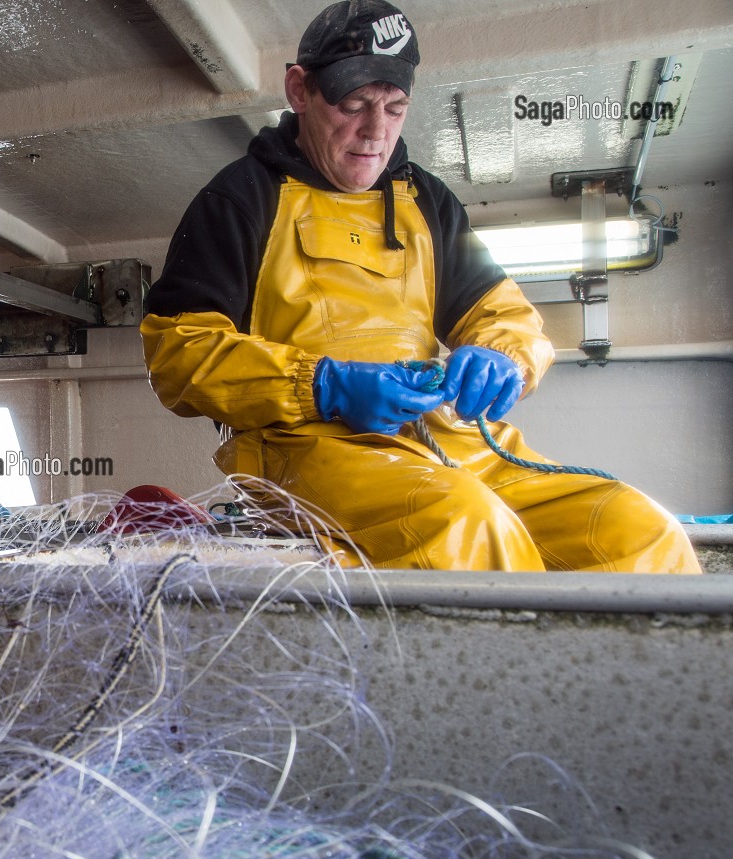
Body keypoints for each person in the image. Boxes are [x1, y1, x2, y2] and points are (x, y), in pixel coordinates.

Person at [140, 0, 699, 573]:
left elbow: (508, 318)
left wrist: (501, 358)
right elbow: (178, 355)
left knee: (637, 526)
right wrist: (325, 385)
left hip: (445, 445)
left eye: (395, 107)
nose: (374, 132)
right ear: (299, 90)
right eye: (353, 104)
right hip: (307, 451)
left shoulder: (426, 200)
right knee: (464, 524)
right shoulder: (239, 199)